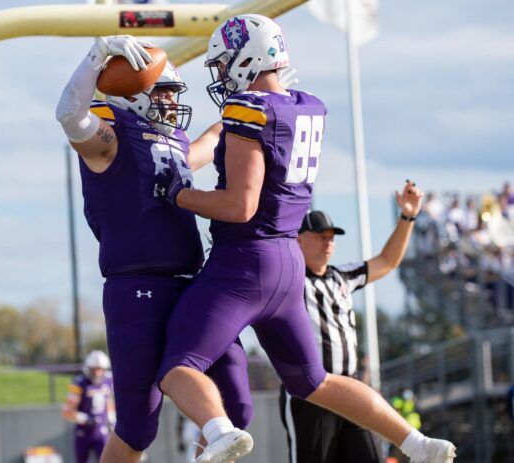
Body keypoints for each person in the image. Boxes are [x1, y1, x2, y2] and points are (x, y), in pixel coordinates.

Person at [153, 14, 457, 463]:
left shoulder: (247, 110)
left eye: (223, 64)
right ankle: (414, 442)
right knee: (315, 383)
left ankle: (219, 433)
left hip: (243, 263)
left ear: (247, 57)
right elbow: (235, 142)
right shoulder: (304, 105)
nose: (219, 75)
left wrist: (178, 195)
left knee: (179, 367)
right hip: (287, 267)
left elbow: (240, 205)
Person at [55, 35, 253, 463]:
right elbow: (69, 114)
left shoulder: (175, 139)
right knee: (137, 428)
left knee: (237, 404)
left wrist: (255, 98)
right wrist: (97, 56)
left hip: (191, 285)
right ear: (134, 89)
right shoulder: (112, 137)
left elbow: (212, 140)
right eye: (162, 90)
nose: (170, 100)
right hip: (137, 288)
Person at [281, 191, 422, 463]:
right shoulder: (289, 281)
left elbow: (387, 261)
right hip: (312, 393)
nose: (328, 243)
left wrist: (407, 216)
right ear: (298, 240)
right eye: (321, 236)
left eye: (332, 237)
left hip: (351, 391)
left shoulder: (342, 276)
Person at [62, 351, 115, 463]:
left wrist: (112, 420)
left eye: (100, 369)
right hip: (83, 433)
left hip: (101, 432)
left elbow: (109, 403)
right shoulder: (79, 383)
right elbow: (67, 411)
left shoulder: (108, 381)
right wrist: (85, 419)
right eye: (94, 369)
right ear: (88, 369)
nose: (97, 373)